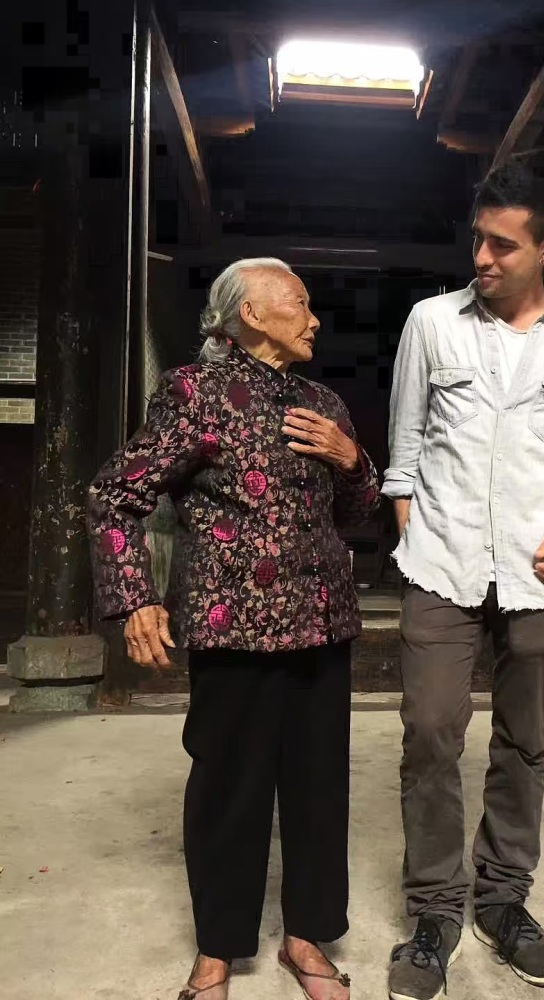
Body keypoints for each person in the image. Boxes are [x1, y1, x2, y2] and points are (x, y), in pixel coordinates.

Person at [87, 258, 380, 1000]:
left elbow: (357, 516)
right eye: (300, 304)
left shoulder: (323, 403)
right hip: (233, 629)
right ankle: (217, 950)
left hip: (322, 625)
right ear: (250, 312)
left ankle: (307, 938)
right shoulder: (194, 392)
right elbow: (116, 494)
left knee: (319, 790)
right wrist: (134, 597)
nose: (314, 319)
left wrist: (352, 461)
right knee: (228, 791)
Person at [383, 150, 544, 999]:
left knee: (524, 740)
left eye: (503, 245)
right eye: (478, 238)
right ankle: (435, 911)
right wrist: (416, 539)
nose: (481, 257)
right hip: (440, 566)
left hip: (537, 575)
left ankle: (504, 901)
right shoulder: (431, 323)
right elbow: (404, 454)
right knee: (430, 733)